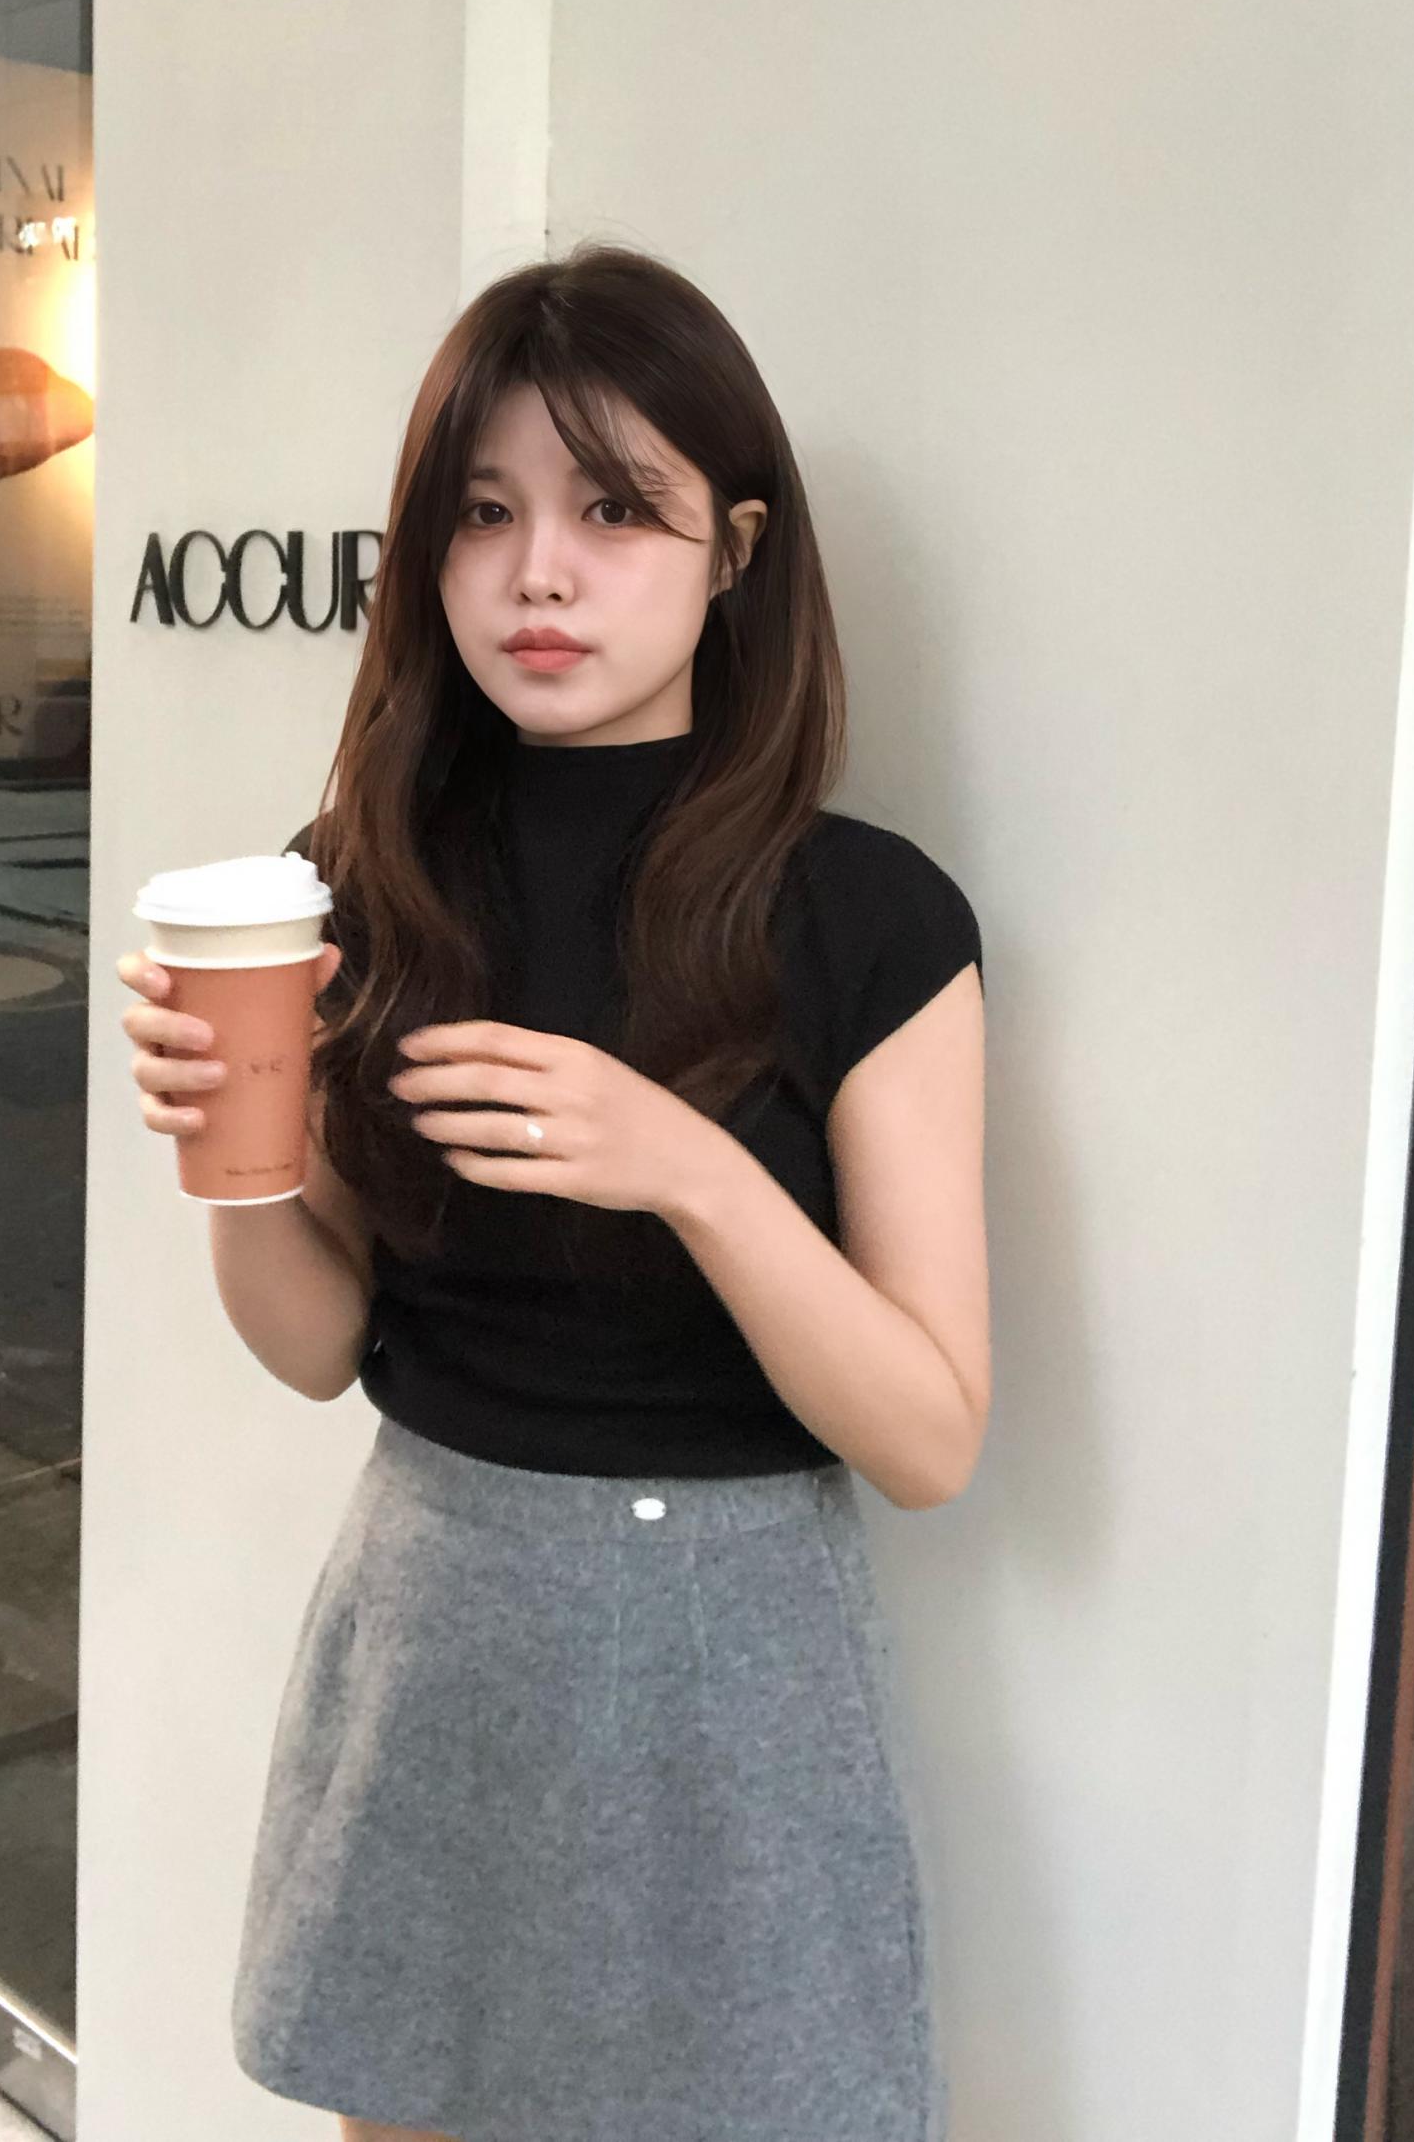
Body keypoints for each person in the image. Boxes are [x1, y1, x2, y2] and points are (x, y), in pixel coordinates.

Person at [114, 241, 988, 2142]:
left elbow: (930, 1438)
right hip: (441, 1610)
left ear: (734, 551)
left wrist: (688, 1171)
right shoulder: (356, 884)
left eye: (615, 510)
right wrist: (232, 1163)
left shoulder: (868, 917)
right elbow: (320, 1349)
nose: (539, 574)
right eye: (484, 511)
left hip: (737, 1661)